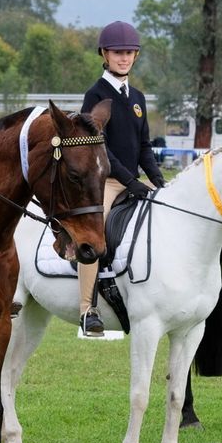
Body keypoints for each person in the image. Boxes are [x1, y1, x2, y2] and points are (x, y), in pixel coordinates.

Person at [76, 20, 165, 337]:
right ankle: (88, 309)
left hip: (135, 178)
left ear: (136, 56)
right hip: (106, 182)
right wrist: (130, 182)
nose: (123, 58)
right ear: (104, 53)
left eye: (129, 53)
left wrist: (160, 182)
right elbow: (99, 148)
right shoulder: (95, 95)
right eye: (117, 53)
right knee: (92, 230)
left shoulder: (138, 97)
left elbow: (143, 147)